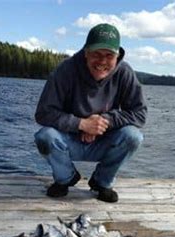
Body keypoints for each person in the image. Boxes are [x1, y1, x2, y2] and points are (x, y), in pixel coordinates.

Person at [34, 23, 147, 203]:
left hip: (103, 141)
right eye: (96, 54)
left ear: (117, 56)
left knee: (133, 136)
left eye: (109, 55)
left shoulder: (124, 72)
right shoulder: (66, 69)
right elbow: (43, 113)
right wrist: (81, 124)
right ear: (86, 52)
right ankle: (65, 179)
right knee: (44, 136)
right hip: (69, 140)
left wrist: (104, 122)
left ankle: (102, 182)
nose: (102, 62)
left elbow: (139, 113)